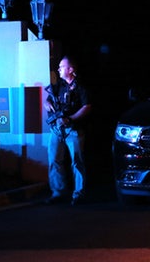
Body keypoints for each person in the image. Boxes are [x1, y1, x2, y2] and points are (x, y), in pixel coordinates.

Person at [43, 55, 92, 206]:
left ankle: (79, 195)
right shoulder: (59, 85)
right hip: (57, 130)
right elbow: (48, 99)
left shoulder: (81, 87)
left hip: (74, 130)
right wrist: (47, 103)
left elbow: (87, 107)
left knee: (77, 162)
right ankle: (58, 193)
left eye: (61, 66)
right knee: (54, 160)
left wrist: (70, 119)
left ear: (70, 69)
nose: (59, 69)